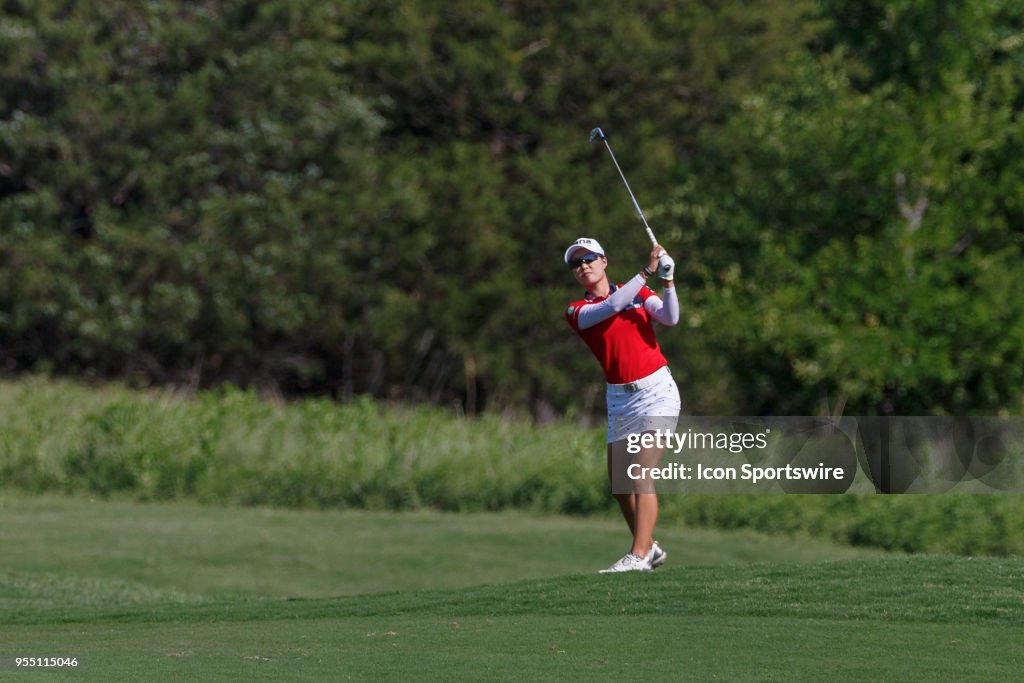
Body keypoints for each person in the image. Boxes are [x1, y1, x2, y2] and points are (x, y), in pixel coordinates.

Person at [563, 236, 681, 573]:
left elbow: (670, 318)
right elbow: (611, 307)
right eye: (576, 264)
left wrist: (668, 281)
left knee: (641, 473)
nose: (583, 266)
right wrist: (647, 271)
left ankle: (638, 555)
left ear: (604, 261)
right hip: (619, 398)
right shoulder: (578, 311)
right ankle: (651, 548)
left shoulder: (640, 294)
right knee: (619, 485)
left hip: (656, 390)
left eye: (589, 259)